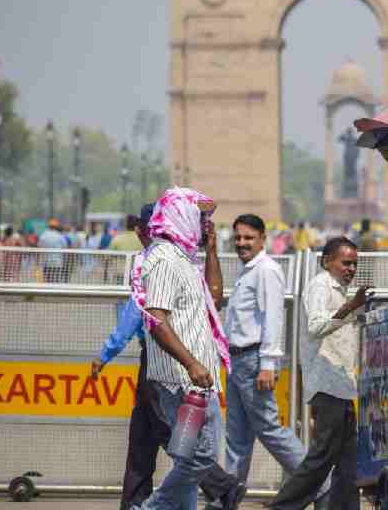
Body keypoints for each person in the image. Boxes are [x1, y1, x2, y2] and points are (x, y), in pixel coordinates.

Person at [91, 204, 242, 510]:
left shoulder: (184, 260)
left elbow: (213, 299)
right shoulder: (158, 262)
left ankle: (211, 489)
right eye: (199, 221)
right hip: (174, 371)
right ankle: (211, 489)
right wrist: (107, 352)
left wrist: (212, 251)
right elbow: (145, 315)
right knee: (173, 447)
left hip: (185, 371)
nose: (204, 227)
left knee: (171, 447)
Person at [206, 215, 329, 509]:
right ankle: (227, 497)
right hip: (236, 361)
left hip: (253, 360)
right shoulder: (246, 271)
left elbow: (274, 317)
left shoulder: (267, 271)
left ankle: (322, 484)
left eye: (248, 238)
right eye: (237, 238)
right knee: (236, 439)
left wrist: (268, 364)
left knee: (271, 431)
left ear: (262, 239)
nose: (242, 243)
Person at [268, 237, 371, 510]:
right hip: (326, 386)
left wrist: (354, 308)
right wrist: (349, 308)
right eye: (345, 263)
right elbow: (315, 326)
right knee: (321, 458)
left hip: (342, 386)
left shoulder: (339, 291)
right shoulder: (320, 286)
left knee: (349, 462)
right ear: (327, 261)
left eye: (354, 264)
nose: (351, 269)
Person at [38, 218, 68, 282]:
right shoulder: (60, 236)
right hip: (57, 263)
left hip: (46, 263)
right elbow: (65, 247)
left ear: (49, 226)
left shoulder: (43, 235)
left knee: (48, 280)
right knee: (56, 281)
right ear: (57, 226)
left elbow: (39, 246)